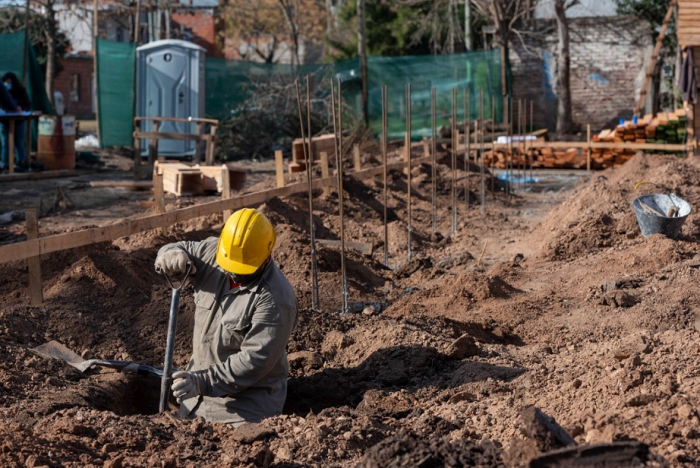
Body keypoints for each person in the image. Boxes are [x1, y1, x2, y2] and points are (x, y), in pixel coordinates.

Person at [154, 208, 298, 426]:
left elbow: (254, 361)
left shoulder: (276, 299)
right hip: (194, 402)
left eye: (241, 270)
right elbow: (180, 248)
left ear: (266, 255)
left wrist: (201, 381)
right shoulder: (215, 252)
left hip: (243, 411)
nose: (231, 273)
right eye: (228, 266)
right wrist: (171, 253)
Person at [1, 72, 31, 171]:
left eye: (9, 81)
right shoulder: (2, 92)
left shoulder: (20, 91)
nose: (7, 83)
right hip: (5, 121)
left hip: (18, 121)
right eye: (5, 82)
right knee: (6, 143)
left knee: (18, 143)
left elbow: (27, 104)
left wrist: (21, 109)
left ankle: (20, 162)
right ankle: (5, 164)